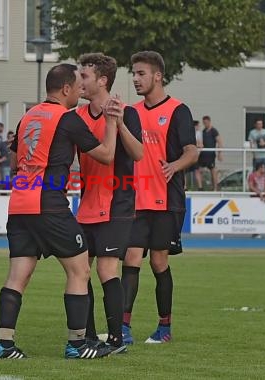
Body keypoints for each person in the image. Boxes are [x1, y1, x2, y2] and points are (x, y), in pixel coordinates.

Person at [0, 63, 121, 360]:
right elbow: (106, 155)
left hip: (20, 203)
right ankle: (77, 344)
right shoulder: (67, 118)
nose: (80, 91)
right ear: (65, 89)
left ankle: (4, 344)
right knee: (80, 270)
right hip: (48, 203)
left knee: (17, 276)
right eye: (77, 86)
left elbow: (13, 161)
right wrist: (112, 124)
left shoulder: (28, 117)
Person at [121, 51, 198, 345]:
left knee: (158, 262)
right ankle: (124, 328)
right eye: (134, 73)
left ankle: (164, 327)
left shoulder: (178, 110)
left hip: (167, 201)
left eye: (141, 73)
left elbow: (192, 151)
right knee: (131, 258)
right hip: (135, 200)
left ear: (157, 76)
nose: (136, 79)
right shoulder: (132, 112)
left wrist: (174, 166)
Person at [74, 53, 143, 354]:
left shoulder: (127, 112)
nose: (79, 81)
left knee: (105, 269)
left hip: (118, 201)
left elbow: (139, 154)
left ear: (102, 80)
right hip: (87, 202)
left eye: (84, 76)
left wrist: (118, 124)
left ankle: (116, 339)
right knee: (80, 270)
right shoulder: (76, 116)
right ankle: (89, 337)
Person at [195, 116, 223, 191]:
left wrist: (220, 153)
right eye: (204, 123)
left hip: (210, 154)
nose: (205, 124)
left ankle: (215, 188)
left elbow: (219, 141)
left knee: (213, 171)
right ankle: (200, 187)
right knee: (198, 170)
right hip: (203, 155)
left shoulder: (214, 131)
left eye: (206, 123)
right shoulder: (203, 131)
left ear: (209, 121)